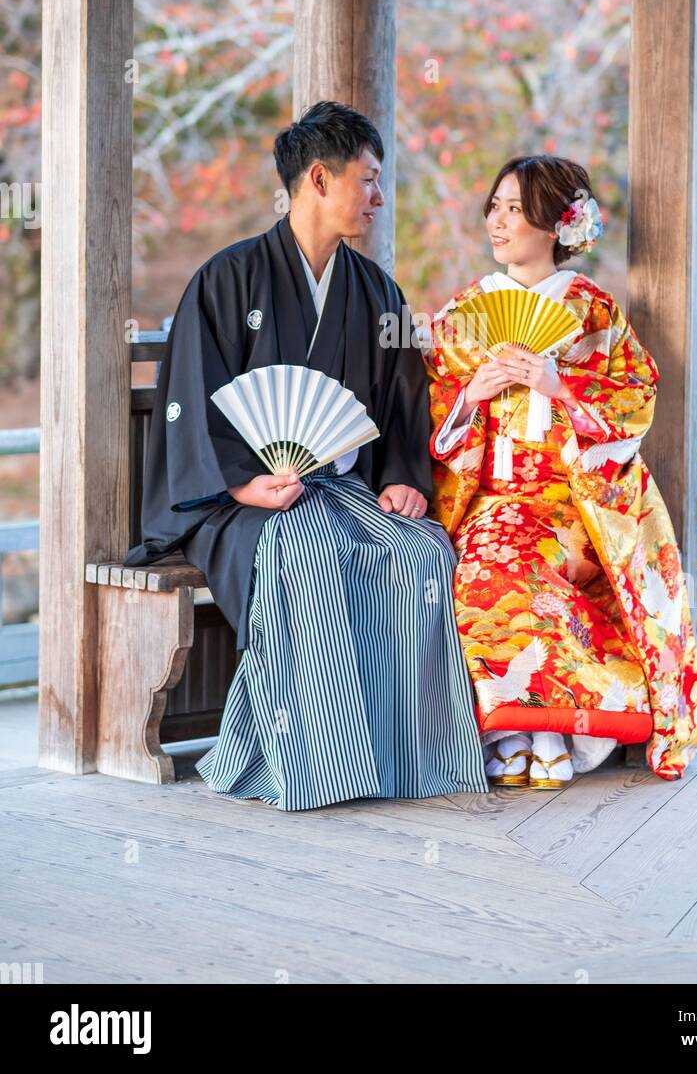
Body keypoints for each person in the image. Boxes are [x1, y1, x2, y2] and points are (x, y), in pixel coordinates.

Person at [124, 101, 488, 810]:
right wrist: (242, 485)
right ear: (319, 178)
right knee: (311, 555)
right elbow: (189, 403)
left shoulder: (376, 291)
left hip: (340, 488)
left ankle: (405, 758)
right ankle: (319, 764)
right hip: (240, 501)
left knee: (421, 552)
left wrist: (406, 480)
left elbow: (400, 406)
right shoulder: (226, 281)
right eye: (370, 179)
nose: (379, 197)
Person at [424, 155, 697, 787]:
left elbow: (637, 396)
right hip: (491, 496)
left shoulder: (592, 311)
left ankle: (554, 729)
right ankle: (510, 730)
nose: (497, 222)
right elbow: (431, 404)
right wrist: (471, 396)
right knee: (485, 560)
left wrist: (560, 384)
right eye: (494, 207)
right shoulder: (465, 312)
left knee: (528, 561)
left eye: (514, 209)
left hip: (573, 502)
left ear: (557, 223)